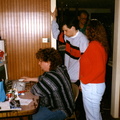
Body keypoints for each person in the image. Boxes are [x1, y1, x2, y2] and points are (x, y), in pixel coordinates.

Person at [21, 48, 75, 120]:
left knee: (33, 117)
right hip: (66, 105)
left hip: (61, 110)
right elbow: (42, 78)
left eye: (41, 61)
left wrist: (26, 88)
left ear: (48, 62)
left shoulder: (51, 78)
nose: (39, 63)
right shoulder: (60, 68)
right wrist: (30, 79)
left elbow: (35, 91)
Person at [80, 19, 109, 120]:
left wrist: (84, 81)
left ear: (91, 30)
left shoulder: (94, 45)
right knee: (94, 115)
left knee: (92, 117)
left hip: (92, 85)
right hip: (95, 85)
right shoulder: (100, 45)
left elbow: (99, 69)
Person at [51, 9, 89, 85]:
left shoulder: (83, 41)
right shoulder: (67, 36)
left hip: (77, 78)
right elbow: (56, 34)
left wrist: (83, 82)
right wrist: (54, 19)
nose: (64, 33)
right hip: (68, 75)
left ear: (73, 28)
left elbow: (87, 64)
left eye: (66, 30)